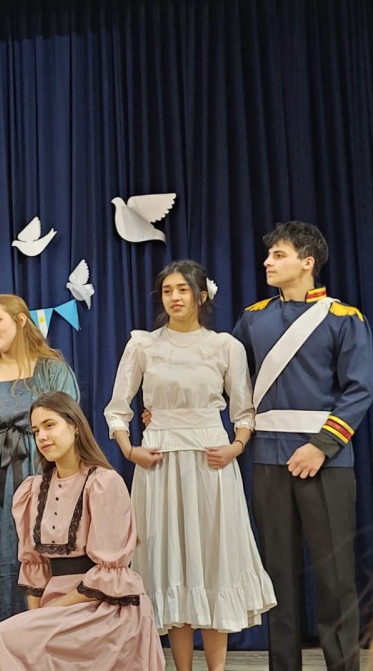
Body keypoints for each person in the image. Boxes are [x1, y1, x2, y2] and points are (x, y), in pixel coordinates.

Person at [104, 260, 276, 670]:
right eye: (167, 291)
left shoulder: (225, 347)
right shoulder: (143, 345)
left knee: (213, 563)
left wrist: (236, 446)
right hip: (159, 464)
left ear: (201, 296)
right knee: (171, 565)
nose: (175, 297)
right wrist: (130, 450)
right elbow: (117, 409)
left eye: (182, 289)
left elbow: (244, 410)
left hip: (211, 464)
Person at [231, 221, 372, 671]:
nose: (267, 262)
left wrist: (321, 447)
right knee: (278, 579)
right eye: (269, 254)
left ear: (307, 262)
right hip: (268, 460)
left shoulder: (343, 318)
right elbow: (228, 380)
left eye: (279, 255)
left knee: (335, 578)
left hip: (327, 462)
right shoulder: (252, 318)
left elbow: (359, 390)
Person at [0, 392, 165, 671]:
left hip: (103, 607)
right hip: (56, 609)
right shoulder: (33, 490)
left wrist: (52, 611)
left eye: (50, 425)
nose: (42, 436)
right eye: (36, 430)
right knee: (10, 639)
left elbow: (109, 573)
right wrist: (36, 620)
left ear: (74, 426)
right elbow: (35, 567)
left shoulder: (103, 483)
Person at [0, 294, 80, 623]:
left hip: (40, 472)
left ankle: (39, 631)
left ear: (21, 320)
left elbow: (69, 429)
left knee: (40, 552)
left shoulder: (52, 371)